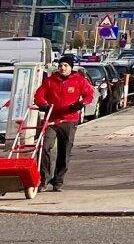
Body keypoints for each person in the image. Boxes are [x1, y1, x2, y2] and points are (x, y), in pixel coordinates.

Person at [34, 56, 98, 192]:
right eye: (60, 65)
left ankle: (58, 181)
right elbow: (39, 95)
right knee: (44, 147)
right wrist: (43, 104)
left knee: (64, 151)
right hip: (52, 119)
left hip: (69, 120)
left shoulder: (79, 80)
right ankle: (43, 179)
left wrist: (80, 104)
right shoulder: (51, 81)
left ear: (71, 67)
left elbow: (89, 95)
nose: (62, 68)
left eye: (65, 65)